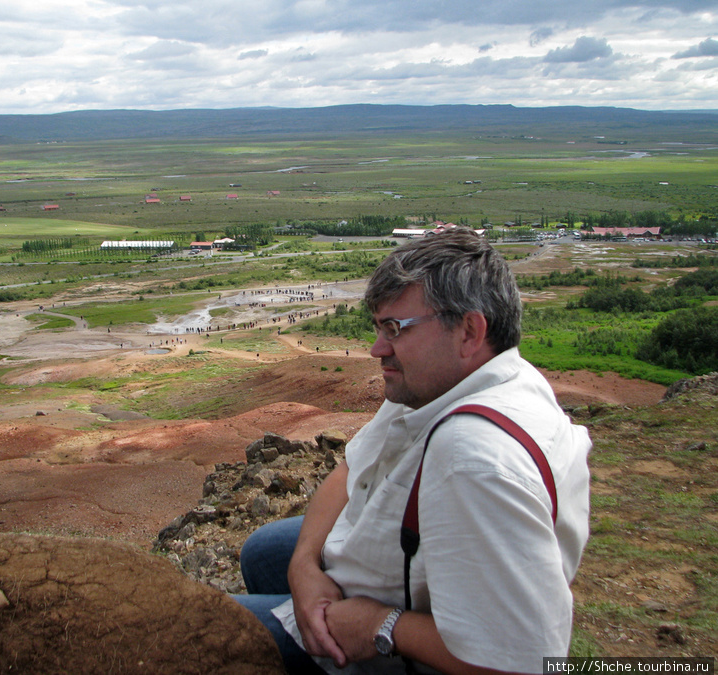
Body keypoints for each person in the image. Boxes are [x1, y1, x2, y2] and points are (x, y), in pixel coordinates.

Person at [235, 228, 590, 674]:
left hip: (410, 644)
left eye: (395, 329)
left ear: (469, 331)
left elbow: (529, 662)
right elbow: (353, 468)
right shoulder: (453, 382)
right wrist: (304, 566)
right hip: (407, 564)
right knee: (266, 551)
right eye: (378, 327)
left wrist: (381, 626)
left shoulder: (475, 461)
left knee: (192, 634)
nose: (376, 348)